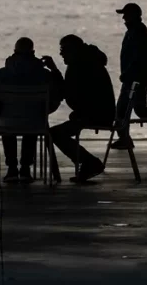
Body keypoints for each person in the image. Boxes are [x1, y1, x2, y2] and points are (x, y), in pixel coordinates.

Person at [0, 37, 63, 183]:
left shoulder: (1, 74)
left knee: (6, 121)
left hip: (8, 122)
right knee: (33, 119)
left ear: (14, 53)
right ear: (33, 53)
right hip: (35, 122)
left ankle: (11, 169)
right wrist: (54, 69)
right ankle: (25, 168)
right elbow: (59, 94)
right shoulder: (45, 75)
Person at [48, 35, 114, 182]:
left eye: (63, 50)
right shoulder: (89, 61)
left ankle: (89, 162)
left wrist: (54, 71)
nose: (61, 53)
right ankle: (86, 161)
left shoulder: (80, 66)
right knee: (58, 132)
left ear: (73, 50)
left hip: (95, 114)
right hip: (100, 112)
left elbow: (69, 93)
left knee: (55, 133)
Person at [110, 3, 147, 150]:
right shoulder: (135, 30)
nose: (124, 17)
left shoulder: (138, 31)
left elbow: (137, 57)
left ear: (133, 15)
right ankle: (125, 137)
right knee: (134, 109)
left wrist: (127, 73)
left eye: (126, 14)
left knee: (124, 109)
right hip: (135, 77)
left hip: (135, 78)